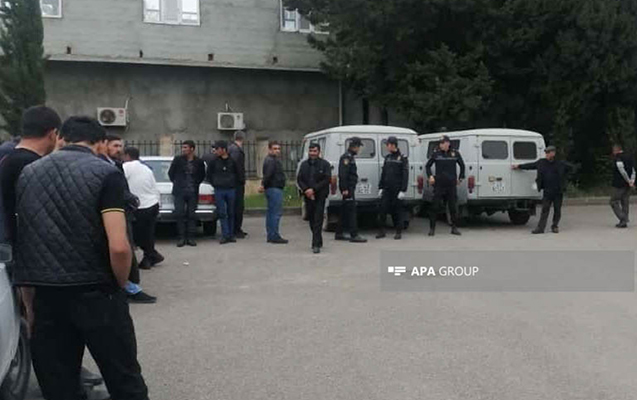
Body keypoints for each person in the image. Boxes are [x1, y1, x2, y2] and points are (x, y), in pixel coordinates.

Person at [13, 116, 150, 400]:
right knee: (124, 379)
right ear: (99, 143)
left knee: (59, 385)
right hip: (97, 290)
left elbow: (25, 241)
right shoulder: (106, 173)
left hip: (47, 293)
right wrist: (120, 284)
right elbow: (119, 246)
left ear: (61, 138)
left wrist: (29, 302)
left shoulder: (28, 173)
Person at [96, 137, 156, 304]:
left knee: (128, 248)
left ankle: (130, 286)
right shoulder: (101, 165)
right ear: (104, 144)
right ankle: (127, 288)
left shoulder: (116, 164)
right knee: (122, 248)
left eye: (120, 146)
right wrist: (128, 197)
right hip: (112, 212)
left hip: (124, 210)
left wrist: (130, 198)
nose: (119, 149)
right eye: (115, 145)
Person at [512, 145, 575, 234]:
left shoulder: (560, 163)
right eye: (546, 153)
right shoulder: (541, 162)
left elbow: (572, 168)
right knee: (545, 210)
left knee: (557, 210)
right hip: (547, 191)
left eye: (548, 153)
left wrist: (564, 178)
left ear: (553, 153)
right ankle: (540, 228)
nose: (547, 154)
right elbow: (531, 165)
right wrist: (519, 166)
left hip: (558, 191)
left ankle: (555, 226)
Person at [123, 147, 165, 267]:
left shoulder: (126, 167)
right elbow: (153, 186)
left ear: (127, 156)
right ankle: (150, 257)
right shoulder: (146, 168)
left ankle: (150, 256)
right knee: (148, 233)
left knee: (137, 235)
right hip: (152, 203)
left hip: (140, 206)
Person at [425, 135, 465, 237]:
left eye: (443, 143)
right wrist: (430, 176)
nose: (441, 145)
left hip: (451, 184)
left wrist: (461, 177)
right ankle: (432, 229)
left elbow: (462, 165)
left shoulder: (455, 153)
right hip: (439, 184)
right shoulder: (436, 154)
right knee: (435, 206)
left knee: (452, 207)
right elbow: (428, 166)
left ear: (448, 143)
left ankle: (454, 228)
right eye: (440, 143)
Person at [168, 140, 206, 247]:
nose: (183, 149)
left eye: (186, 147)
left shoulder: (199, 162)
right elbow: (171, 173)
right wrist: (178, 183)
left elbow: (202, 175)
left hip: (192, 191)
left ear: (192, 149)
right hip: (179, 191)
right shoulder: (178, 160)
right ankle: (181, 237)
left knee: (191, 215)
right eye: (183, 147)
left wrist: (195, 183)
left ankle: (191, 237)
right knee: (179, 214)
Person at [297, 143, 331, 253]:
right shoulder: (304, 165)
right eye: (311, 151)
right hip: (308, 195)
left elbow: (326, 179)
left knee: (318, 219)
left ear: (319, 152)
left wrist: (314, 189)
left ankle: (315, 244)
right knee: (311, 219)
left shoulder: (325, 164)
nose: (312, 153)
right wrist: (306, 190)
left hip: (320, 195)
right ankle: (318, 239)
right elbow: (299, 179)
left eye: (315, 151)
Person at [335, 137, 367, 243]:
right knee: (352, 211)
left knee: (344, 210)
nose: (359, 149)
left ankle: (339, 233)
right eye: (359, 147)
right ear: (355, 146)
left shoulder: (350, 157)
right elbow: (343, 174)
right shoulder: (347, 157)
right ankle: (354, 234)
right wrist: (344, 188)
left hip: (349, 187)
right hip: (348, 188)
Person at [376, 137, 409, 240]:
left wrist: (403, 190)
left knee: (397, 211)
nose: (387, 147)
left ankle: (398, 232)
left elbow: (405, 175)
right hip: (387, 189)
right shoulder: (388, 157)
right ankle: (381, 231)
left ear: (393, 145)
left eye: (388, 145)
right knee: (382, 210)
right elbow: (384, 173)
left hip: (397, 189)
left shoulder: (402, 158)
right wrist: (381, 187)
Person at [206, 140, 238, 244]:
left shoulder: (232, 161)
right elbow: (209, 174)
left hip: (230, 189)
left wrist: (233, 183)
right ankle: (225, 234)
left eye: (217, 149)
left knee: (231, 212)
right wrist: (215, 183)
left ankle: (231, 234)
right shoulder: (214, 161)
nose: (216, 151)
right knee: (222, 213)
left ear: (224, 149)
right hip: (219, 189)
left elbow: (237, 173)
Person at [259, 141, 288, 244]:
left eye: (278, 149)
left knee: (271, 212)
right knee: (275, 213)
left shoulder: (271, 160)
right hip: (274, 188)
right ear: (269, 149)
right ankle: (274, 235)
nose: (277, 151)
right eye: (275, 149)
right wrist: (263, 184)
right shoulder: (271, 161)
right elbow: (268, 174)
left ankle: (271, 234)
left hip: (273, 188)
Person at [609, 144, 635, 228]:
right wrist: (632, 181)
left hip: (619, 184)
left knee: (613, 201)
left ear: (615, 150)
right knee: (625, 201)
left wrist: (628, 180)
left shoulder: (618, 158)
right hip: (628, 184)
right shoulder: (629, 157)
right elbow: (633, 170)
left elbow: (622, 171)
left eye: (613, 151)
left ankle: (623, 218)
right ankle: (623, 222)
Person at [229, 130, 248, 238]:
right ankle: (236, 229)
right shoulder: (237, 150)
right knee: (238, 206)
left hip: (233, 181)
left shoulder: (231, 148)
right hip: (237, 182)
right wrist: (242, 179)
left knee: (234, 206)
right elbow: (237, 166)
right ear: (242, 139)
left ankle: (234, 228)